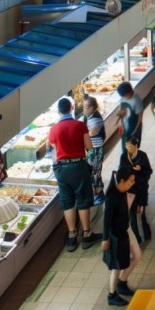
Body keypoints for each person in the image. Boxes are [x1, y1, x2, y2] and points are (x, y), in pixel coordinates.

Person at [48, 98, 101, 252]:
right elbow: (89, 146)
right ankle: (86, 234)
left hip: (61, 169)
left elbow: (53, 146)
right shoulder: (80, 125)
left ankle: (71, 237)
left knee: (67, 201)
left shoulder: (53, 129)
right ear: (71, 108)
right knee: (83, 199)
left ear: (59, 111)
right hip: (78, 166)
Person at [102, 167, 142, 306]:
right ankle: (111, 295)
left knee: (137, 256)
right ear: (122, 181)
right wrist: (105, 238)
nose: (132, 183)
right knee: (116, 266)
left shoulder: (122, 191)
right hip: (116, 236)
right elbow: (106, 220)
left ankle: (122, 282)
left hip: (126, 230)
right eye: (130, 181)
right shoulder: (112, 197)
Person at [118, 137, 153, 243]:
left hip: (141, 188)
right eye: (126, 145)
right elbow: (121, 171)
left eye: (130, 146)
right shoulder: (124, 156)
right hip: (130, 189)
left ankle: (146, 231)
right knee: (132, 214)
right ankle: (136, 237)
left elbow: (149, 171)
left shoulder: (142, 155)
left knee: (142, 212)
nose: (128, 148)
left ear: (136, 146)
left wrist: (141, 169)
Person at [82, 96, 106, 205]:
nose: (84, 110)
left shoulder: (95, 119)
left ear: (93, 107)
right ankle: (97, 194)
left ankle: (99, 195)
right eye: (83, 107)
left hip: (96, 150)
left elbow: (89, 134)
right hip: (93, 149)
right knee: (94, 172)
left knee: (96, 172)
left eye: (86, 108)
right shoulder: (90, 116)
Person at [116, 82, 143, 148]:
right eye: (123, 96)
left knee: (132, 149)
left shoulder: (136, 101)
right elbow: (121, 108)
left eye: (125, 96)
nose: (124, 98)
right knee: (124, 149)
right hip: (125, 128)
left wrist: (134, 132)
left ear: (130, 92)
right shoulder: (123, 97)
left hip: (133, 129)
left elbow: (139, 118)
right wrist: (120, 116)